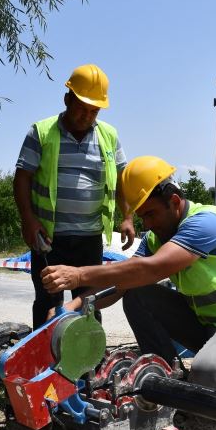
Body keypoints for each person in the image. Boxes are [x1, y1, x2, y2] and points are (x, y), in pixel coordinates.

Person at [41, 156, 216, 399]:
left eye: (151, 214)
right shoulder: (155, 238)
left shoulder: (207, 222)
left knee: (208, 374)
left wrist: (79, 274)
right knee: (135, 290)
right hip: (211, 327)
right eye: (141, 217)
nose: (146, 225)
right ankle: (168, 379)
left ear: (175, 202)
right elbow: (123, 281)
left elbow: (153, 268)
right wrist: (73, 306)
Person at [14, 64, 135, 329]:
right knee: (48, 301)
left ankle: (89, 364)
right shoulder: (41, 132)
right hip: (48, 238)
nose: (87, 116)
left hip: (90, 238)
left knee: (90, 302)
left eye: (94, 111)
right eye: (82, 108)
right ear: (67, 98)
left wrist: (128, 217)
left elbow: (123, 180)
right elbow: (22, 178)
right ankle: (45, 363)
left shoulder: (109, 136)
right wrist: (28, 220)